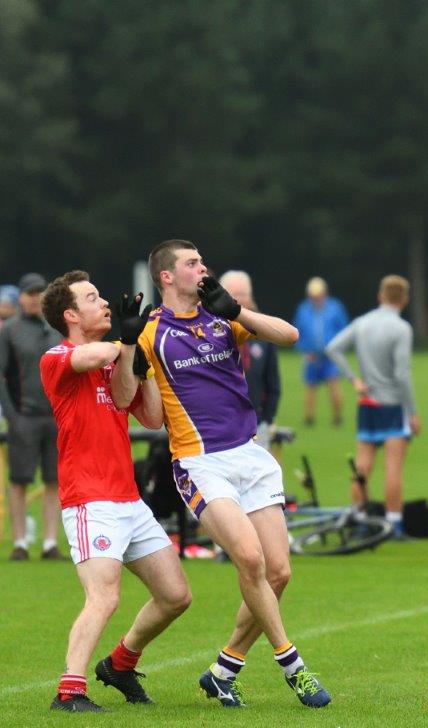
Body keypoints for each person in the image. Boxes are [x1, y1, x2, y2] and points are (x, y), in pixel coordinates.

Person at [131, 240, 329, 707]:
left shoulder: (221, 314)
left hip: (250, 454)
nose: (203, 268)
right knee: (251, 559)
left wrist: (238, 310)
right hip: (201, 462)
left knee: (279, 572)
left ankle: (225, 669)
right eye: (192, 263)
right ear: (166, 276)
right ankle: (293, 665)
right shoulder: (150, 332)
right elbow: (149, 414)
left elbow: (289, 336)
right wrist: (128, 357)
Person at [38, 272, 190, 712]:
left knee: (176, 596)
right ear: (70, 315)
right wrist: (127, 342)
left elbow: (150, 417)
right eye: (92, 298)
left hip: (128, 500)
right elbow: (96, 355)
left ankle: (120, 664)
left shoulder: (115, 356)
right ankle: (69, 693)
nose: (105, 302)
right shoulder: (58, 356)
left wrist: (144, 364)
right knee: (104, 597)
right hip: (90, 501)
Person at [326, 275, 420, 538]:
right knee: (393, 467)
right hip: (391, 404)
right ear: (405, 299)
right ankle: (394, 525)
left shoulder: (362, 323)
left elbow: (333, 348)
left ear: (381, 296)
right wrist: (412, 411)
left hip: (367, 403)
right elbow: (402, 373)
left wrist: (354, 379)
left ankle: (360, 519)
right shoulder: (401, 328)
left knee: (362, 466)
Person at [0, 272, 65, 560]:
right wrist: (12, 415)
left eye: (40, 292)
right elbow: (2, 375)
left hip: (55, 416)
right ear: (21, 297)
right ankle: (20, 542)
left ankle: (50, 542)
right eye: (29, 293)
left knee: (54, 480)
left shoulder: (56, 328)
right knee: (20, 480)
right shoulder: (9, 330)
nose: (34, 298)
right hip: (23, 416)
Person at [221, 271, 282, 452]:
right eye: (233, 295)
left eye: (243, 294)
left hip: (257, 424)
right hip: (221, 425)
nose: (239, 300)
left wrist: (267, 418)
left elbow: (273, 382)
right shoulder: (209, 332)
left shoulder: (263, 332)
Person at [293, 276, 348, 427]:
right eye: (313, 296)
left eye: (319, 295)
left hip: (330, 355)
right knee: (310, 387)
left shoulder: (335, 307)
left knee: (334, 385)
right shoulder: (303, 309)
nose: (316, 299)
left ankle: (337, 418)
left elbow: (343, 330)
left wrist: (337, 348)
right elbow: (297, 332)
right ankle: (309, 419)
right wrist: (304, 349)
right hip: (311, 355)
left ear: (325, 293)